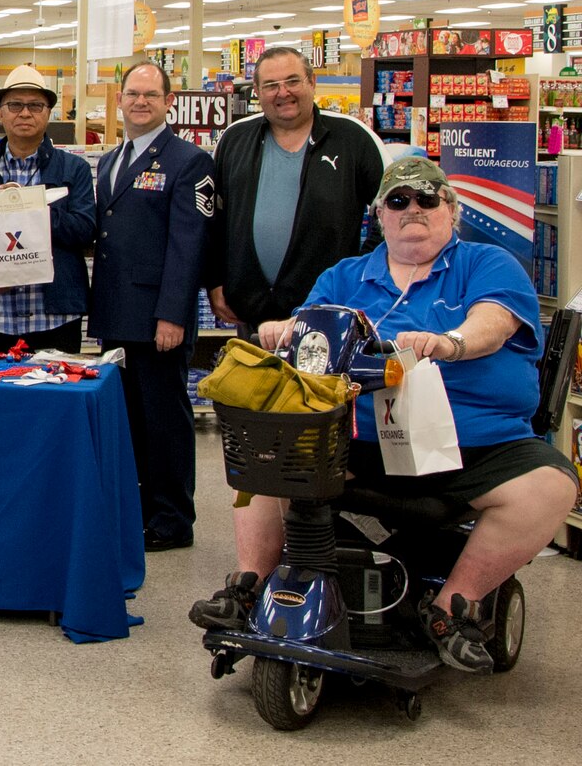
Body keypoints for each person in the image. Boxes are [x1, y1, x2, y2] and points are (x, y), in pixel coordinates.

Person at [191, 157, 578, 674]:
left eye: (426, 199)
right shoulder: (346, 275)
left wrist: (452, 343)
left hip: (475, 445)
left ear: (452, 209)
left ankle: (450, 608)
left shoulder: (489, 263)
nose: (412, 209)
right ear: (380, 215)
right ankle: (247, 587)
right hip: (362, 440)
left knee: (551, 487)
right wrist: (285, 329)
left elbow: (495, 321)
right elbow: (311, 327)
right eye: (398, 201)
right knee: (269, 453)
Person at [90, 63, 216, 552]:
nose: (140, 102)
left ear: (169, 102)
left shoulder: (188, 161)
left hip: (157, 317)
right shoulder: (110, 159)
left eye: (150, 95)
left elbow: (189, 246)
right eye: (132, 94)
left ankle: (172, 519)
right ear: (119, 101)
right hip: (116, 313)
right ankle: (141, 510)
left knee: (164, 420)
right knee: (131, 419)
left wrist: (173, 315)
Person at [206, 45, 384, 334]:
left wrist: (357, 276)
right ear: (258, 91)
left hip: (326, 312)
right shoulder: (235, 138)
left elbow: (391, 213)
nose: (283, 92)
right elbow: (213, 218)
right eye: (271, 85)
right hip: (252, 313)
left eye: (292, 81)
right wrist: (214, 281)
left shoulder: (353, 138)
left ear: (311, 82)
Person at [0, 65, 96, 352]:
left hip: (56, 320)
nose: (24, 113)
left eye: (35, 105)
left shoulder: (74, 169)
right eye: (15, 105)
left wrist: (31, 209)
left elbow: (85, 229)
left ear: (48, 113)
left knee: (55, 395)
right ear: (0, 113)